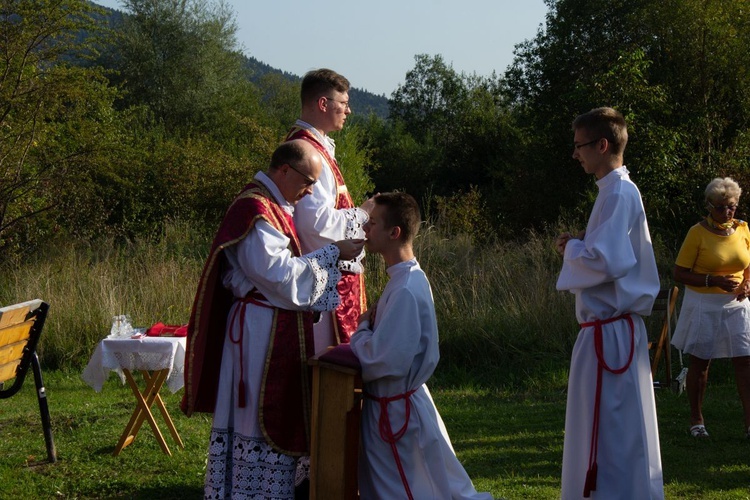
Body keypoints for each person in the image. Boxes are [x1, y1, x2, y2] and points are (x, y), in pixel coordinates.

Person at [180, 139, 365, 499]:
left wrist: (335, 258)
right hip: (258, 332)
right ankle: (252, 491)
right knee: (255, 416)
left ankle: (272, 488)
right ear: (284, 170)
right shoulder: (256, 209)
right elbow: (279, 275)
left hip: (272, 324)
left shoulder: (276, 204)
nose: (310, 191)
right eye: (307, 182)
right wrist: (332, 253)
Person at [346, 192, 492, 500]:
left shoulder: (406, 290)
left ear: (394, 232)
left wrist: (360, 330)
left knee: (407, 491)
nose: (365, 229)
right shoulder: (402, 279)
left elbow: (383, 361)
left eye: (372, 223)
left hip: (396, 414)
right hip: (396, 407)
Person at [554, 107, 664, 499]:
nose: (575, 154)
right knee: (608, 428)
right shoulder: (613, 191)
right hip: (608, 333)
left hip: (611, 335)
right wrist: (582, 245)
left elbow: (606, 261)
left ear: (602, 145)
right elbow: (607, 252)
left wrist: (572, 247)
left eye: (580, 146)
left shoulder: (619, 191)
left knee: (613, 431)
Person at [284, 68, 375, 352]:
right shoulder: (307, 151)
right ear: (323, 104)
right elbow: (314, 223)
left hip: (328, 275)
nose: (348, 110)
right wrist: (363, 213)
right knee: (328, 366)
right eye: (343, 103)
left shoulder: (316, 146)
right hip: (323, 283)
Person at [671, 177, 750, 439]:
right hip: (704, 303)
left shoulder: (743, 229)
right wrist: (712, 280)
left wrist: (747, 284)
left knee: (745, 361)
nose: (727, 212)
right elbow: (679, 273)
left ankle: (749, 423)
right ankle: (697, 421)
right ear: (709, 206)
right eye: (720, 207)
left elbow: (747, 267)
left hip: (737, 304)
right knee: (701, 362)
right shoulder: (697, 232)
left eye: (732, 206)